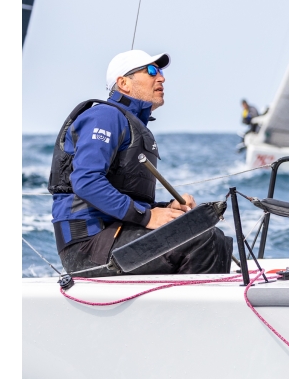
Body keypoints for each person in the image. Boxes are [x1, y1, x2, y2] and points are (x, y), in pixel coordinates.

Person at [48, 50, 234, 277]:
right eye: (151, 71)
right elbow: (86, 181)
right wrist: (147, 216)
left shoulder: (130, 123)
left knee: (217, 238)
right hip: (88, 247)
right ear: (123, 83)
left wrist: (165, 209)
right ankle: (197, 310)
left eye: (161, 71)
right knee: (201, 240)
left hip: (116, 235)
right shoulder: (105, 117)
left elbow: (127, 198)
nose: (161, 78)